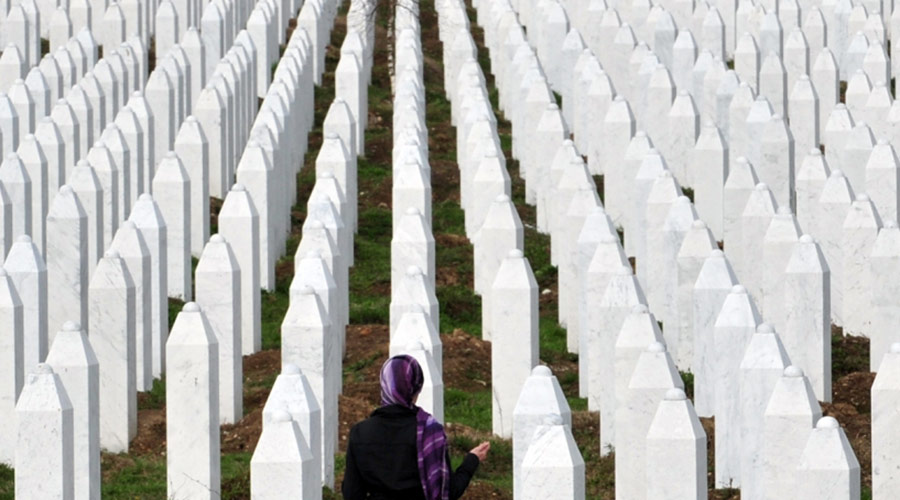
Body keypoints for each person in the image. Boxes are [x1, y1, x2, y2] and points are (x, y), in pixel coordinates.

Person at [342, 354, 490, 499]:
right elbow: (447, 491)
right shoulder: (429, 432)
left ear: (384, 385)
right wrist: (471, 460)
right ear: (417, 387)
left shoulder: (360, 433)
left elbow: (351, 493)